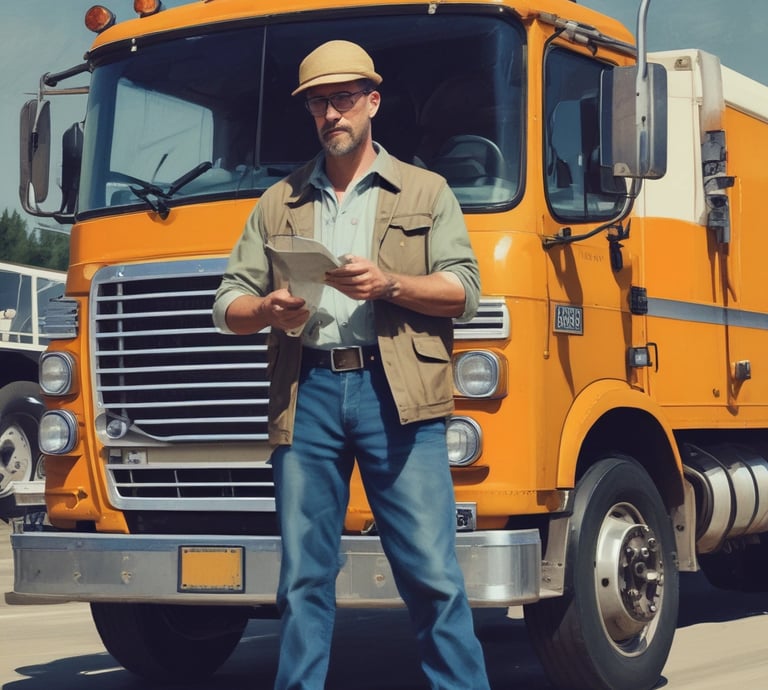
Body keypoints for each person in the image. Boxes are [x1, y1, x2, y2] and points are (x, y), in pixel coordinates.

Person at [213, 39, 490, 690]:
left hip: (395, 393)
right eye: (318, 102)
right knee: (304, 576)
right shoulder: (277, 202)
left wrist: (391, 283)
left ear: (372, 101)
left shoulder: (427, 191)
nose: (330, 113)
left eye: (342, 98)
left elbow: (465, 292)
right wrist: (267, 308)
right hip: (306, 392)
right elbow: (226, 302)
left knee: (430, 570)